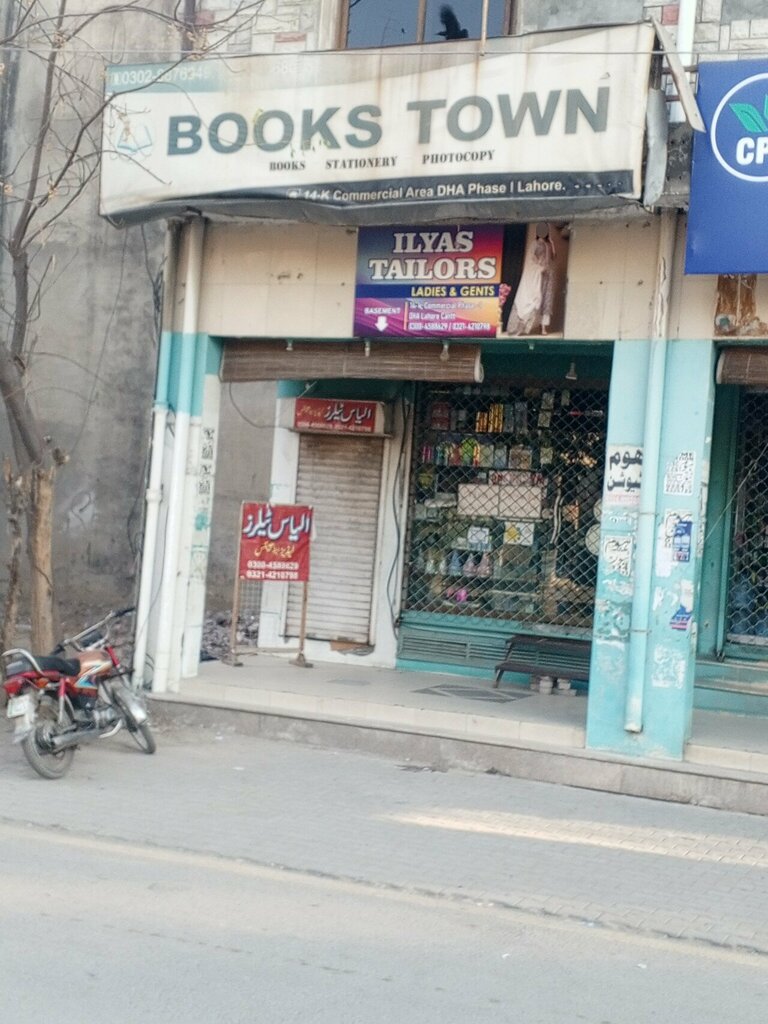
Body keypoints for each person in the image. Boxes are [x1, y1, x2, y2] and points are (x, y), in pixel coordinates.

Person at [505, 222, 557, 336]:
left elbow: (553, 257)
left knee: (546, 302)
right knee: (534, 299)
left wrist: (552, 244)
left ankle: (543, 328)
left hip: (547, 276)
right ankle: (521, 327)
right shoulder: (534, 244)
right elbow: (530, 260)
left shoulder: (548, 244)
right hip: (537, 275)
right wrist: (539, 269)